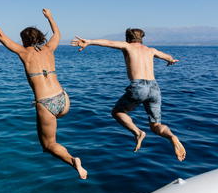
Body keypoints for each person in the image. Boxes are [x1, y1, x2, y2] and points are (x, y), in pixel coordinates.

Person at [0, 3, 87, 179]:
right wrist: (50, 17)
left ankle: (72, 160)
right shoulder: (49, 48)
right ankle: (71, 159)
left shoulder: (23, 52)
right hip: (64, 99)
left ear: (23, 40)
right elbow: (57, 34)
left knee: (48, 145)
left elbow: (0, 36)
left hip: (46, 104)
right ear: (40, 38)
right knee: (48, 141)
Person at [71, 29, 186, 161]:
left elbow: (108, 43)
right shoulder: (151, 50)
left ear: (128, 39)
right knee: (155, 125)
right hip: (154, 87)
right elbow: (168, 57)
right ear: (141, 39)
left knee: (117, 113)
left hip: (139, 86)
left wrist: (89, 42)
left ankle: (138, 133)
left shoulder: (127, 46)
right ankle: (172, 137)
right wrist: (171, 60)